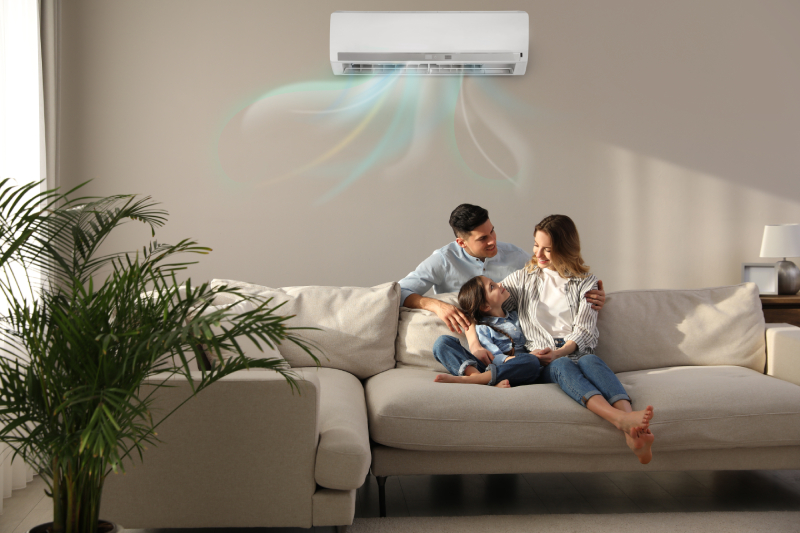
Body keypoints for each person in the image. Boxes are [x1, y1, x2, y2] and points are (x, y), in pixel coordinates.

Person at [497, 214, 654, 464]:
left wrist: (562, 350)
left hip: (576, 350)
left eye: (549, 249)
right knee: (561, 365)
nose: (539, 255)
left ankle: (634, 430)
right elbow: (487, 301)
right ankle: (620, 420)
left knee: (590, 361)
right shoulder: (521, 279)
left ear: (566, 248)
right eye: (537, 245)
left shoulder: (586, 283)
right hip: (544, 358)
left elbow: (585, 330)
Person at [398, 204, 606, 365]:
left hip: (515, 346)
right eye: (483, 238)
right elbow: (398, 292)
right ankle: (478, 375)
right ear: (461, 243)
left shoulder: (515, 256)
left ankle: (499, 372)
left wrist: (590, 294)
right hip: (472, 338)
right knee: (443, 344)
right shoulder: (442, 260)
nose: (492, 241)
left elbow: (554, 276)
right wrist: (436, 305)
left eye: (492, 232)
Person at [432, 275, 542, 388]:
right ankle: (477, 377)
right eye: (492, 287)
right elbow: (494, 358)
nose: (500, 284)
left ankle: (482, 380)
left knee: (532, 362)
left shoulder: (517, 316)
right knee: (442, 343)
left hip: (516, 370)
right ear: (485, 306)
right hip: (490, 367)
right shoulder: (483, 328)